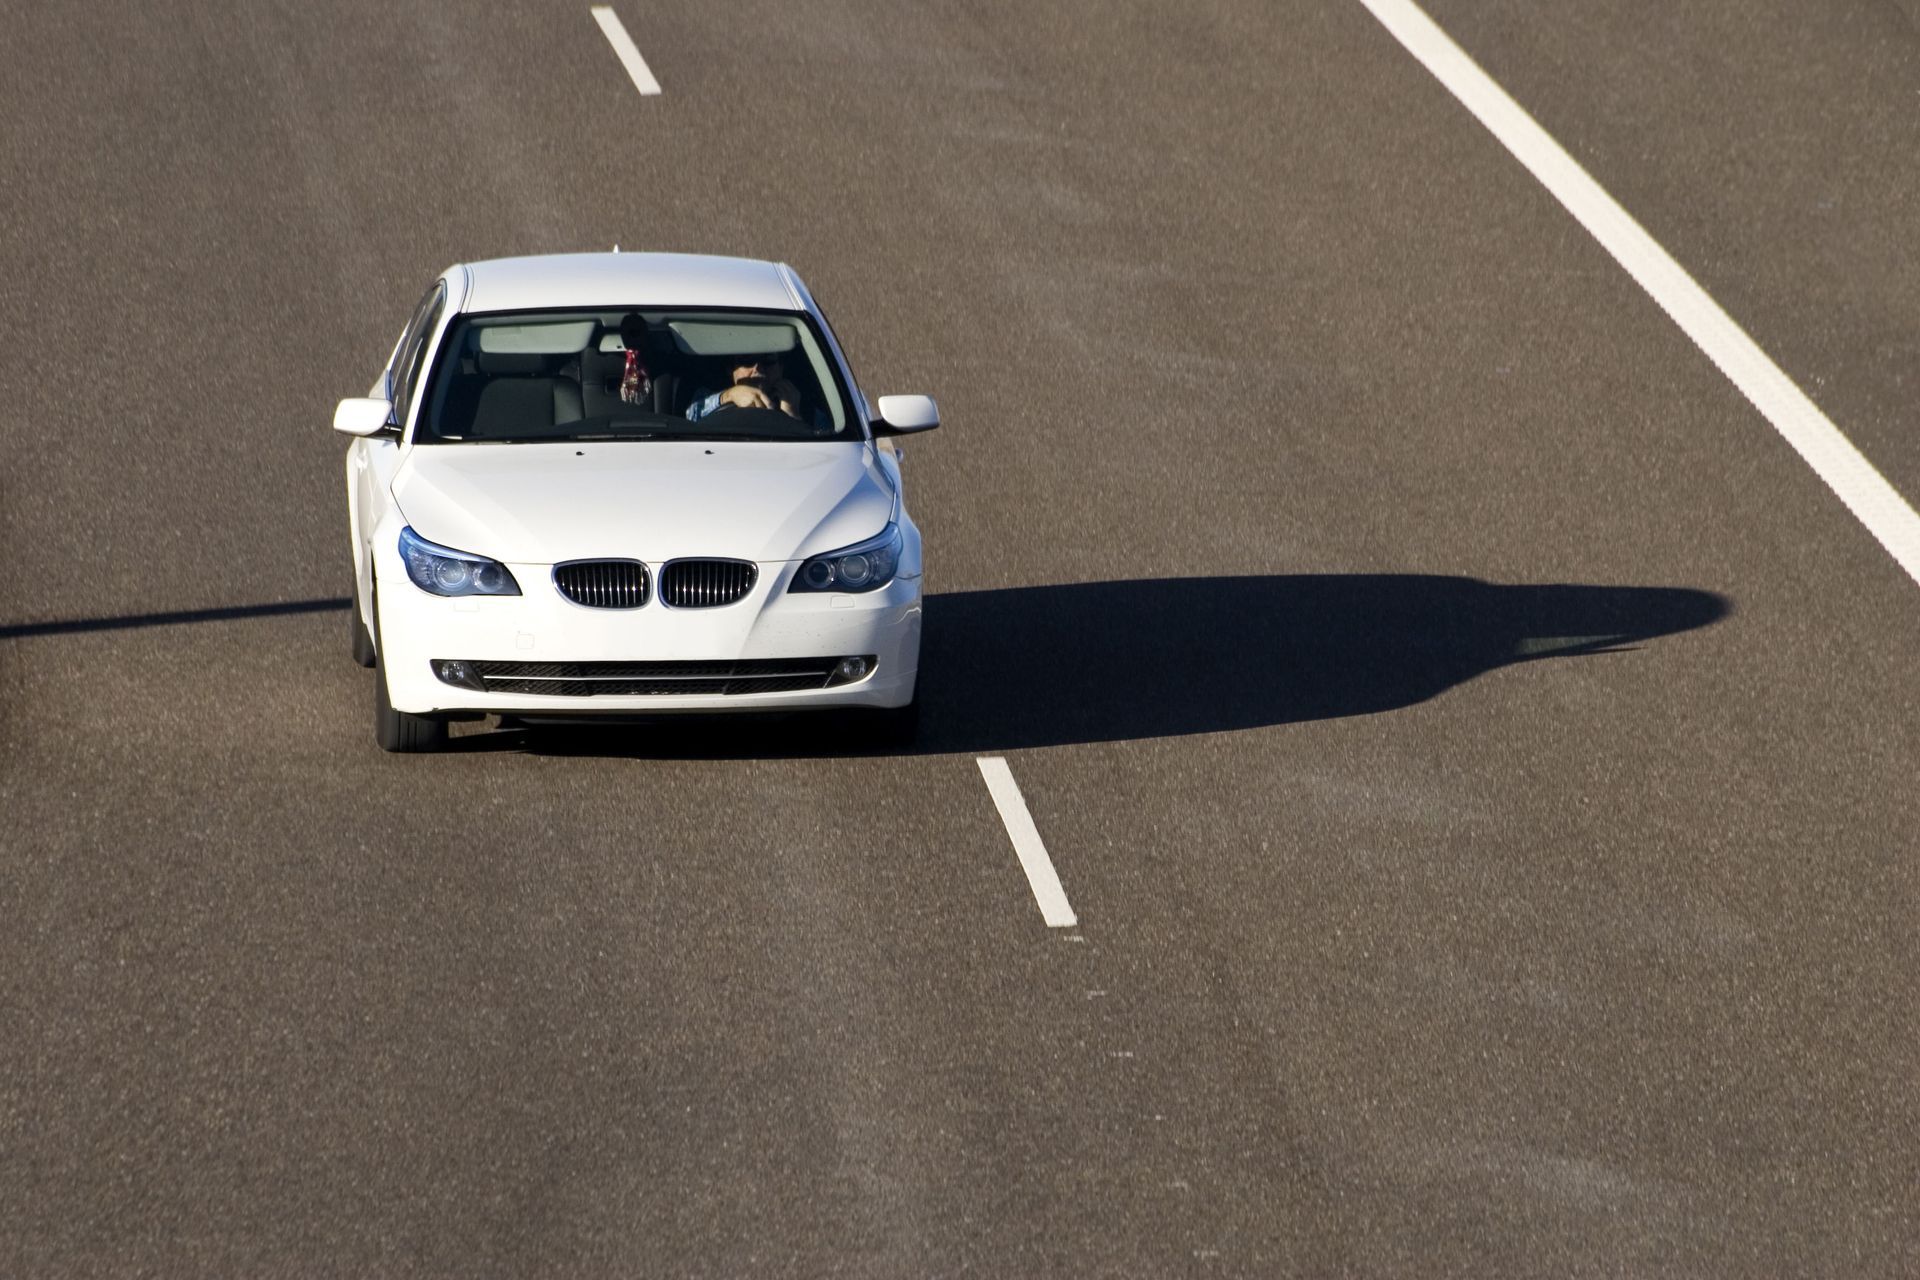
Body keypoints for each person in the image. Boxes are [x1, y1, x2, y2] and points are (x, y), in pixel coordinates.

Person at [685, 354, 804, 421]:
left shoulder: (805, 407)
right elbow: (691, 418)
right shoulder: (704, 397)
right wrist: (729, 396)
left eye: (768, 361)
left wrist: (792, 417)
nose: (757, 369)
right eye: (747, 362)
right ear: (731, 369)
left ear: (781, 368)